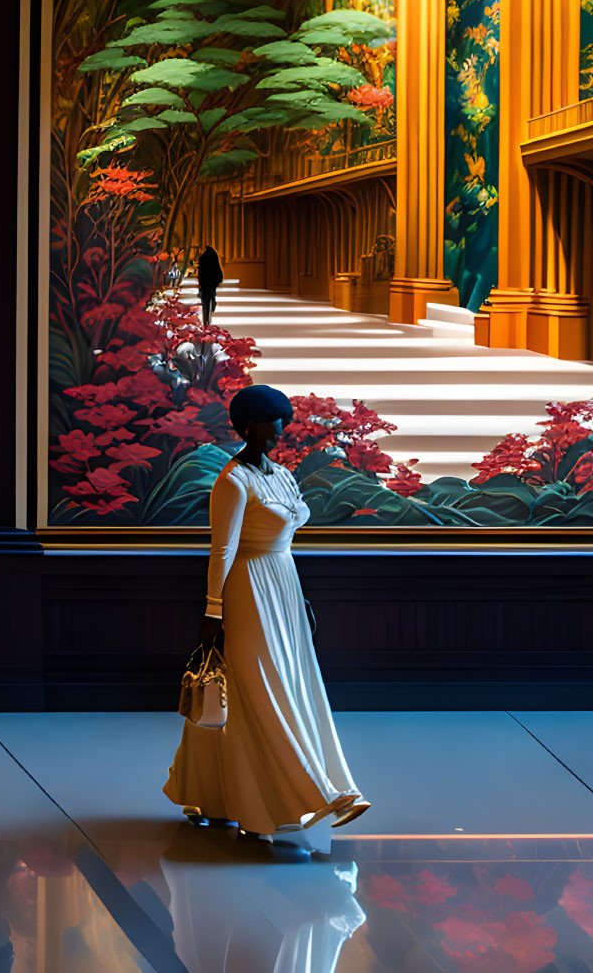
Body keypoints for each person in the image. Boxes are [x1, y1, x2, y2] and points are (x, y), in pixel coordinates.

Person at [163, 384, 369, 855]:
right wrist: (213, 611)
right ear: (247, 426)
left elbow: (287, 536)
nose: (280, 430)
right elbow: (222, 550)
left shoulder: (281, 474)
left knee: (289, 685)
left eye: (282, 421)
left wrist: (301, 599)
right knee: (261, 691)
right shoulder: (232, 482)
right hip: (248, 590)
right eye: (271, 422)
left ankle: (216, 795)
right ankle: (288, 800)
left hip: (284, 585)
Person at [196, 243, 223, 327]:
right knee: (211, 296)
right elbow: (217, 269)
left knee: (205, 302)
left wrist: (200, 283)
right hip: (212, 281)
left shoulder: (204, 257)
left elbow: (201, 271)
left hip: (205, 282)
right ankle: (211, 311)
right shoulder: (213, 255)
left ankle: (205, 321)